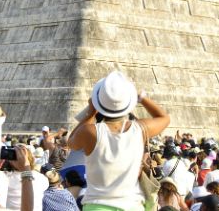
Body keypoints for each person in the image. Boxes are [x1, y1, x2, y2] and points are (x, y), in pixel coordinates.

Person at [68, 71, 170, 211]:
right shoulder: (139, 129)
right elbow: (164, 118)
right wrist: (141, 97)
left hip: (97, 206)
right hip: (132, 206)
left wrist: (91, 113)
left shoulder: (90, 132)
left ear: (99, 103)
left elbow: (71, 142)